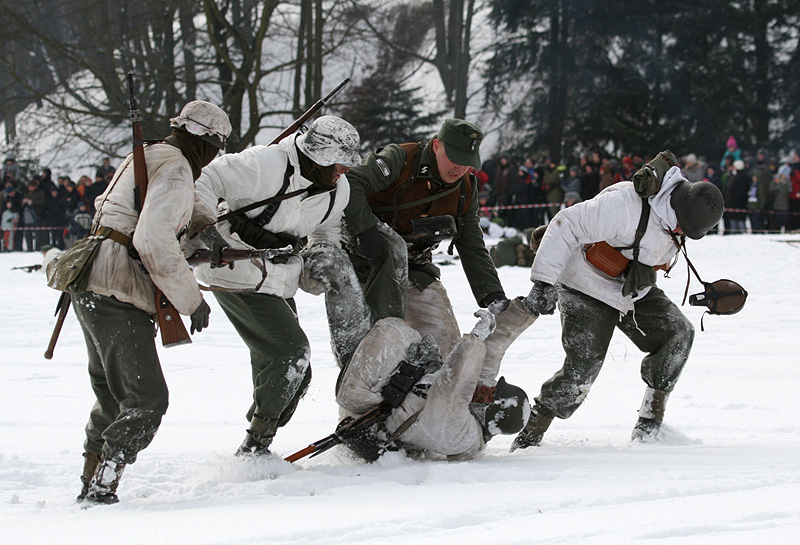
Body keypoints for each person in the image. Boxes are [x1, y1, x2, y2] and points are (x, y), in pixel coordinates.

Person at [46, 100, 232, 505]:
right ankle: (103, 482)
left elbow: (144, 205)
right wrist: (191, 298)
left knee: (115, 394)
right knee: (146, 399)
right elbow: (153, 238)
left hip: (91, 279)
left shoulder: (149, 153)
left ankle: (92, 476)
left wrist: (208, 228)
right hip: (118, 288)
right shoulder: (178, 167)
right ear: (206, 143)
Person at [511, 161, 724, 450]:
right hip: (585, 284)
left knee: (678, 334)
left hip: (632, 288)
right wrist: (543, 282)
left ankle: (650, 426)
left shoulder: (678, 217)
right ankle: (531, 433)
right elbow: (566, 223)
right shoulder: (624, 206)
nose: (681, 232)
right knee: (583, 368)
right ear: (677, 207)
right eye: (682, 227)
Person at [191, 115, 362, 457]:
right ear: (318, 157)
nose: (343, 171)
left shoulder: (337, 190)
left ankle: (258, 432)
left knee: (298, 375)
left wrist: (321, 258)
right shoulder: (264, 163)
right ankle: (255, 446)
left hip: (279, 276)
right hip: (232, 269)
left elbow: (325, 232)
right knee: (290, 354)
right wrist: (205, 229)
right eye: (338, 164)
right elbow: (204, 179)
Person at [301, 241, 537, 462]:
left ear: (493, 412)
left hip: (362, 398)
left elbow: (453, 388)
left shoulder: (462, 435)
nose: (488, 390)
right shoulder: (475, 411)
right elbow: (490, 355)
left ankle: (334, 270)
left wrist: (474, 339)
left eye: (492, 395)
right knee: (404, 334)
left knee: (396, 329)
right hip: (379, 382)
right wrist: (526, 311)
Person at [344, 119, 507, 361]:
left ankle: (428, 395)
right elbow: (352, 182)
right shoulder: (400, 159)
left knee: (446, 342)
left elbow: (472, 244)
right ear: (437, 145)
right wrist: (366, 232)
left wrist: (492, 293)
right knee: (374, 348)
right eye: (455, 158)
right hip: (365, 266)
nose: (460, 168)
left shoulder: (465, 190)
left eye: (467, 163)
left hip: (415, 269)